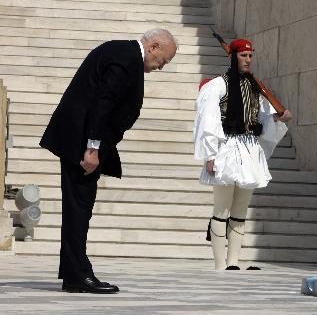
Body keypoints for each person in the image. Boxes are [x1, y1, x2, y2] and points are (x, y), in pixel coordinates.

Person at [40, 29, 177, 293]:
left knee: (79, 209)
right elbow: (103, 103)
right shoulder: (126, 58)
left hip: (82, 140)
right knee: (78, 209)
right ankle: (77, 275)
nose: (161, 67)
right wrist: (92, 148)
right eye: (164, 61)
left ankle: (74, 272)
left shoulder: (122, 52)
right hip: (82, 146)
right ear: (154, 47)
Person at [193, 38, 293, 270]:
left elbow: (262, 119)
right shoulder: (219, 84)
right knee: (222, 208)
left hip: (249, 147)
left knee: (240, 210)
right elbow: (209, 120)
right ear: (233, 56)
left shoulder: (254, 87)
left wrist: (278, 118)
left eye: (250, 56)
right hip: (226, 148)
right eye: (243, 56)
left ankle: (233, 263)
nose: (248, 60)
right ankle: (220, 264)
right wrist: (210, 155)